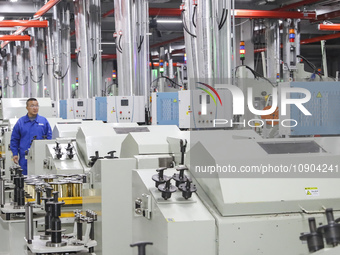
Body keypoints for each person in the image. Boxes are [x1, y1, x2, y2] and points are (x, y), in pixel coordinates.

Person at [10, 98, 52, 175]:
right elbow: (14, 139)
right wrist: (15, 154)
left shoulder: (43, 121)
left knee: (41, 177)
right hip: (25, 158)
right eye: (32, 106)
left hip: (41, 156)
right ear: (27, 108)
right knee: (26, 179)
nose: (35, 108)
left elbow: (49, 138)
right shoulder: (21, 122)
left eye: (37, 106)